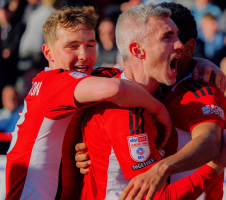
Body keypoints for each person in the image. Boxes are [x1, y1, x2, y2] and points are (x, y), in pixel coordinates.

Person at [5, 6, 174, 200]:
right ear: (48, 53)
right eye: (72, 46)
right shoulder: (55, 81)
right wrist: (160, 111)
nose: (84, 55)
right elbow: (116, 88)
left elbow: (128, 73)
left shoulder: (72, 81)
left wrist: (199, 64)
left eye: (91, 45)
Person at [76, 3, 226, 200]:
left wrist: (200, 62)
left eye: (178, 37)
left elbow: (210, 141)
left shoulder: (197, 88)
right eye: (167, 37)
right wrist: (220, 161)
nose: (177, 45)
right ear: (138, 50)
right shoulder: (124, 109)